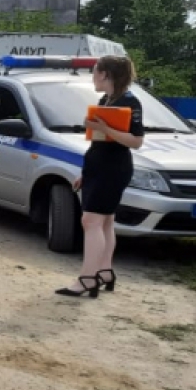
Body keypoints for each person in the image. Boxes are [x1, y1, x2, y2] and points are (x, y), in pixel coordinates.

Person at [57, 55, 144, 298]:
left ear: (105, 74)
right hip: (98, 166)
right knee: (104, 221)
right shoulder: (106, 99)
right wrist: (85, 173)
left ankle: (87, 278)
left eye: (95, 71)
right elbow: (98, 144)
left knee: (91, 221)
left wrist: (103, 127)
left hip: (114, 169)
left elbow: (136, 141)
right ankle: (104, 272)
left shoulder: (130, 102)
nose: (93, 76)